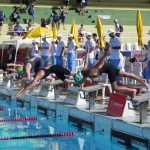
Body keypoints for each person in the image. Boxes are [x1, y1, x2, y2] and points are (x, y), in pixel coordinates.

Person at [73, 49, 148, 98]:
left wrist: (106, 53)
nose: (82, 82)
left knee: (116, 88)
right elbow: (86, 62)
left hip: (108, 69)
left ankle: (133, 90)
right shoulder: (84, 70)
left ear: (82, 78)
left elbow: (100, 61)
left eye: (81, 81)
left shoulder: (90, 71)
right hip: (108, 67)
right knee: (125, 74)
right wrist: (87, 53)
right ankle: (142, 80)